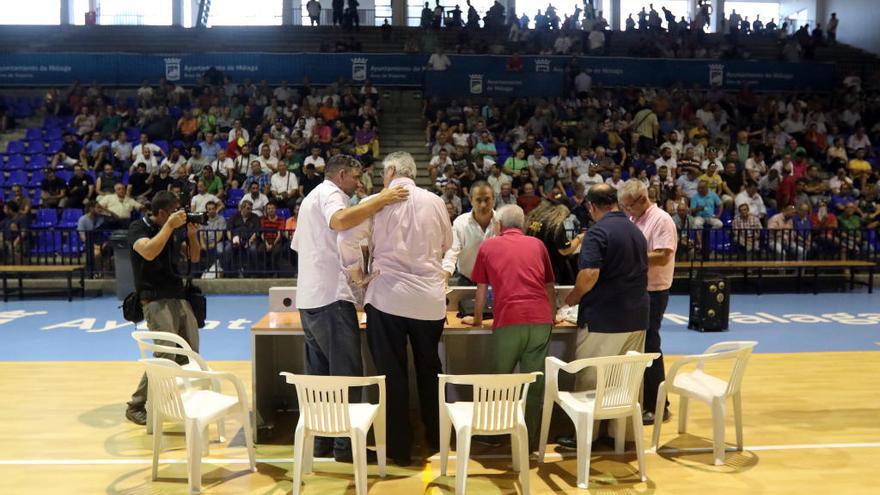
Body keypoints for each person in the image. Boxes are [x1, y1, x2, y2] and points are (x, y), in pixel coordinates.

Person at [290, 154, 409, 461]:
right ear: (341, 174)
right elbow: (340, 220)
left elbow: (302, 246)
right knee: (347, 375)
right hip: (331, 297)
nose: (359, 184)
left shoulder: (309, 200)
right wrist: (382, 198)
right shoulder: (331, 193)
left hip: (309, 298)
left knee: (320, 379)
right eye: (356, 178)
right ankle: (346, 447)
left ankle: (322, 443)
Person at [337, 151, 452, 466]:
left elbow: (346, 240)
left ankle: (398, 449)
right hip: (429, 301)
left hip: (387, 297)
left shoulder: (378, 201)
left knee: (391, 375)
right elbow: (447, 243)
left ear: (390, 171)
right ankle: (438, 440)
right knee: (431, 371)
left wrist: (358, 275)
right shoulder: (436, 201)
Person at [559, 184, 648, 448]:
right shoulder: (636, 230)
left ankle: (585, 437)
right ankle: (621, 435)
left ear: (591, 207)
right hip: (636, 317)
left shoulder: (597, 232)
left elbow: (589, 275)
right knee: (625, 382)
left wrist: (573, 297)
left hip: (604, 319)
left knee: (590, 378)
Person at [462, 204, 556, 449]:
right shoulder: (537, 245)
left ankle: (496, 433)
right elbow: (549, 286)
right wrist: (552, 315)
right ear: (522, 224)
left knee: (500, 380)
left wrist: (478, 319)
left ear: (499, 225)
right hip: (540, 320)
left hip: (509, 319)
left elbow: (481, 288)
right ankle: (529, 438)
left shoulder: (489, 245)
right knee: (534, 381)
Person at [124, 191, 201, 425]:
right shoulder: (138, 227)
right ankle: (137, 404)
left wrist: (191, 236)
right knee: (165, 353)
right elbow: (148, 251)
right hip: (154, 299)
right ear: (161, 213)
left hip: (178, 296)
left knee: (189, 351)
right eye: (174, 211)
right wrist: (169, 226)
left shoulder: (174, 230)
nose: (179, 215)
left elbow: (195, 258)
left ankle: (166, 395)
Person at [619, 179, 676, 425]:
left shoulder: (662, 219)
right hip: (638, 289)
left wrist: (631, 257)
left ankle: (658, 405)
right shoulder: (635, 219)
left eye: (629, 206)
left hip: (654, 291)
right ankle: (644, 398)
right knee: (641, 347)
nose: (626, 211)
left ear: (642, 199)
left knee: (651, 347)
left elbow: (663, 256)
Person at [442, 182, 499, 286]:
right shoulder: (460, 222)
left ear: (494, 199)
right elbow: (452, 252)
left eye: (487, 199)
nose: (483, 205)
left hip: (495, 281)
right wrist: (444, 280)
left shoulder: (502, 222)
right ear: (471, 200)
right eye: (478, 200)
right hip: (467, 280)